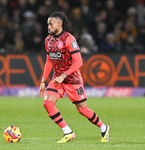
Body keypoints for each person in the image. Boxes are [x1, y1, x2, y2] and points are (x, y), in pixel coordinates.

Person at [39, 12, 110, 143]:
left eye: (50, 24)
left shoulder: (69, 39)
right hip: (57, 79)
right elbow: (49, 61)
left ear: (59, 24)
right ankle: (68, 132)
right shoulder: (48, 40)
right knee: (47, 103)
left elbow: (78, 62)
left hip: (72, 78)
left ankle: (104, 127)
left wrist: (64, 75)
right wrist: (43, 81)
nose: (48, 26)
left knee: (82, 109)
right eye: (47, 24)